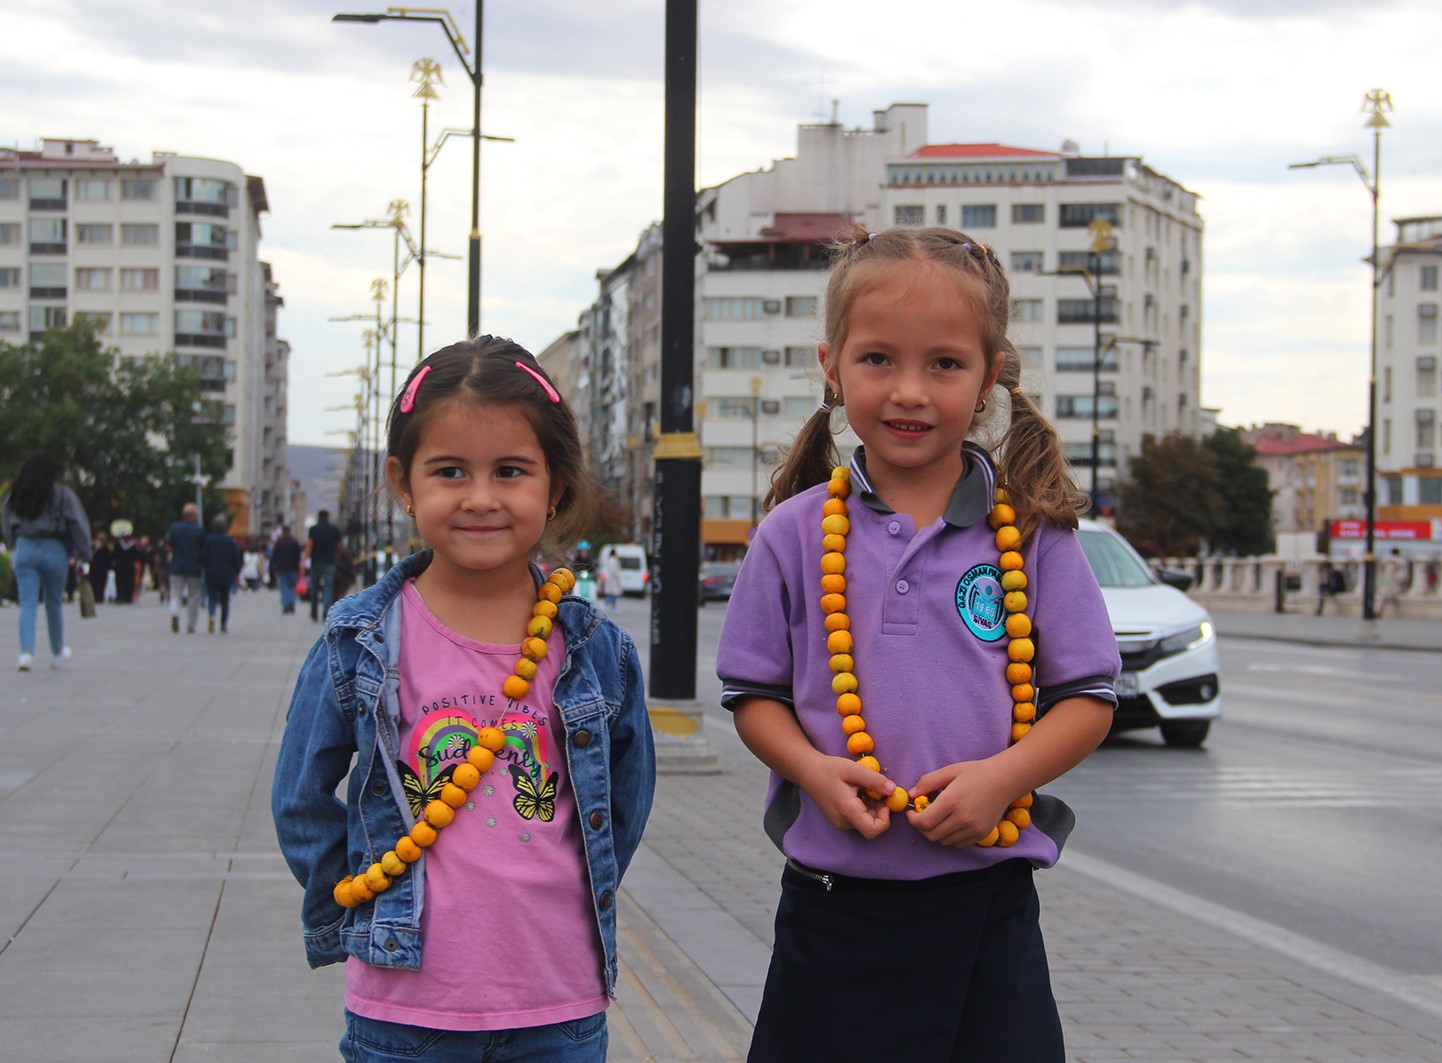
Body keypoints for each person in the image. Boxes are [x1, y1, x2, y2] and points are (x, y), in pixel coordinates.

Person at [716, 226, 1120, 1062]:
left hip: (987, 899)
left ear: (988, 375)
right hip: (834, 906)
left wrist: (1001, 778)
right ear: (831, 365)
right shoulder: (792, 534)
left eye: (943, 363)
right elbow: (754, 698)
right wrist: (812, 769)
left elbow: (1086, 699)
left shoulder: (1035, 534)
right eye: (876, 360)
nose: (908, 391)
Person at [271, 336, 656, 1061]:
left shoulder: (596, 649)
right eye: (450, 471)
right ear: (403, 482)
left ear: (556, 486)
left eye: (510, 471)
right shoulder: (360, 638)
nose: (480, 497)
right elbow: (300, 797)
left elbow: (624, 803)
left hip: (558, 1008)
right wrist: (364, 897)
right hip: (403, 1012)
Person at [3, 451, 92, 671]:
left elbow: (5, 520)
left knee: (28, 602)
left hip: (24, 546)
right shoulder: (62, 494)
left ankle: (26, 653)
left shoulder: (16, 494)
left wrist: (14, 544)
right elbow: (77, 523)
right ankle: (57, 651)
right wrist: (83, 553)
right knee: (54, 603)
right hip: (54, 547)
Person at [166, 503, 205, 634]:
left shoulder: (175, 528)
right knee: (194, 596)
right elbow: (203, 549)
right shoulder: (199, 531)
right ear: (194, 516)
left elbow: (169, 545)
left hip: (177, 566)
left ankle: (175, 614)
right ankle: (191, 624)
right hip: (194, 567)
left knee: (175, 594)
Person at [201, 515, 242, 634]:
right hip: (226, 573)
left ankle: (212, 615)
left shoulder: (208, 540)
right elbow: (236, 558)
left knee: (212, 597)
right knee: (225, 599)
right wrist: (237, 570)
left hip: (211, 572)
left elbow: (203, 556)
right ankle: (223, 624)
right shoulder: (230, 541)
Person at [305, 508, 343, 623]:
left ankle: (313, 612)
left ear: (318, 517)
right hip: (329, 562)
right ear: (327, 517)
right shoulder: (334, 529)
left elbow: (309, 546)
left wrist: (305, 559)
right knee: (328, 588)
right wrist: (338, 556)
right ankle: (326, 611)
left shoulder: (313, 530)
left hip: (315, 562)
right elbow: (339, 546)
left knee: (314, 587)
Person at [270, 524, 303, 614]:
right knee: (292, 587)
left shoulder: (279, 542)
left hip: (282, 568)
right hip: (293, 568)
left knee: (284, 587)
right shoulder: (294, 542)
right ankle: (291, 603)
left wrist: (275, 568)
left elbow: (275, 556)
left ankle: (285, 605)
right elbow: (298, 556)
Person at [599, 547, 623, 613]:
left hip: (612, 579)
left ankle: (613, 607)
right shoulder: (613, 560)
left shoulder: (611, 559)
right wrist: (617, 576)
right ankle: (605, 602)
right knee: (614, 594)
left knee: (614, 593)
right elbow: (613, 571)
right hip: (613, 579)